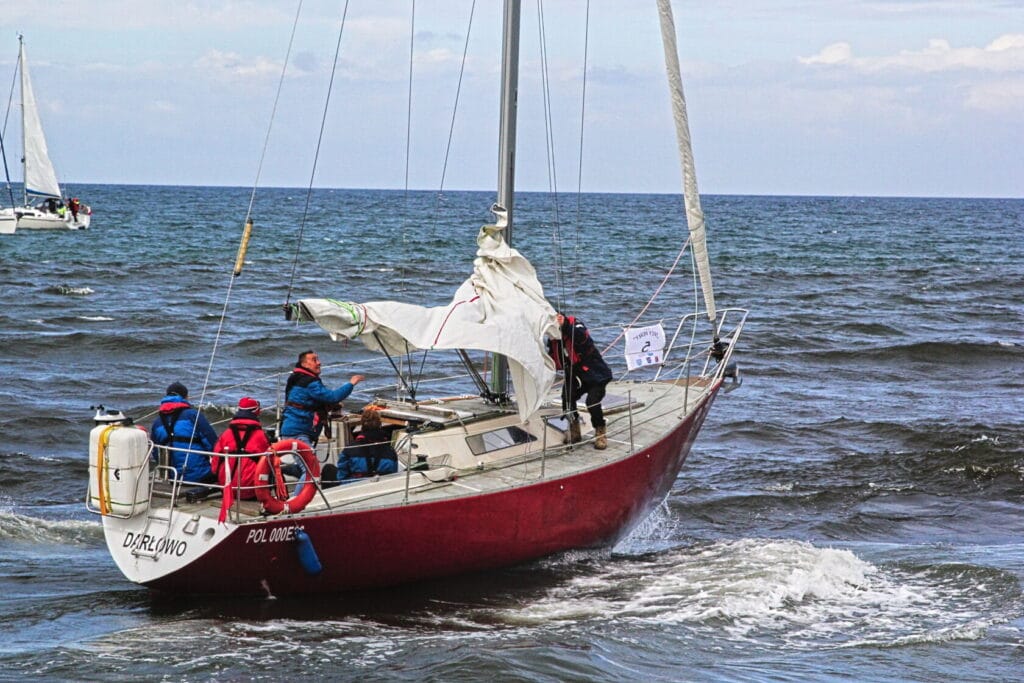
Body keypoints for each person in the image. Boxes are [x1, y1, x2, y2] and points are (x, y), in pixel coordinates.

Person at [547, 312, 613, 449]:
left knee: (592, 402)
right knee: (567, 398)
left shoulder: (576, 326)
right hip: (574, 374)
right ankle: (574, 429)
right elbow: (552, 357)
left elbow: (582, 338)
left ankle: (600, 431)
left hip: (595, 374)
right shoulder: (554, 338)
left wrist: (564, 324)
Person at [279, 350, 365, 446]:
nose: (319, 363)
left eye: (318, 359)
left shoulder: (296, 378)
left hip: (292, 429)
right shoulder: (309, 383)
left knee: (305, 460)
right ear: (304, 364)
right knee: (308, 461)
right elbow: (333, 397)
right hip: (298, 433)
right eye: (314, 360)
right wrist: (351, 383)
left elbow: (307, 400)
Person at [150, 382, 218, 483]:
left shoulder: (157, 423)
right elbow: (213, 444)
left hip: (173, 477)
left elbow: (156, 453)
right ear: (186, 397)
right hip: (200, 475)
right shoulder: (193, 416)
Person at [210, 396, 271, 509]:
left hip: (226, 488)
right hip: (250, 491)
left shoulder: (226, 434)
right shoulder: (261, 436)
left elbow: (215, 464)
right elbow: (271, 463)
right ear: (256, 412)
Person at [325, 406, 399, 483]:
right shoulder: (391, 452)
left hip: (354, 489)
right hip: (381, 489)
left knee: (328, 469)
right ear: (380, 425)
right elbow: (393, 476)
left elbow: (341, 476)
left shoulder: (350, 450)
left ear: (362, 425)